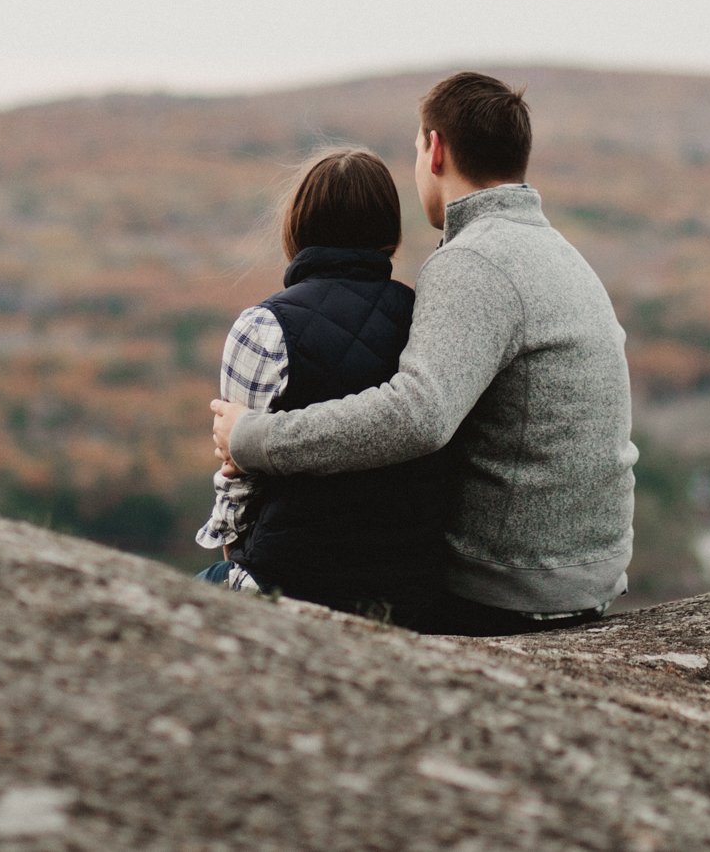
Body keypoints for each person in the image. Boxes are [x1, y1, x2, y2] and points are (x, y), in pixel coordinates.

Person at [212, 72, 636, 636]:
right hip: (584, 574)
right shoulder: (558, 254)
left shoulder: (473, 261)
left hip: (512, 588)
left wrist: (252, 439)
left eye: (416, 149)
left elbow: (417, 415)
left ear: (434, 150)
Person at [194, 147, 449, 628]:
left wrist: (229, 548)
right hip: (409, 590)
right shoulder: (427, 319)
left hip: (289, 579)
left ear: (297, 225)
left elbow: (237, 474)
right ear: (388, 232)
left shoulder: (264, 328)